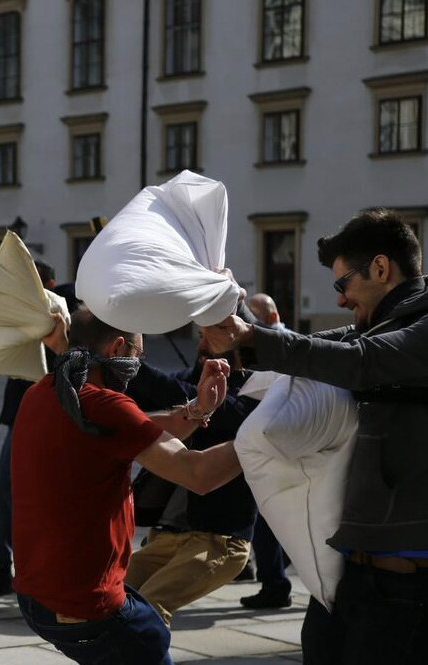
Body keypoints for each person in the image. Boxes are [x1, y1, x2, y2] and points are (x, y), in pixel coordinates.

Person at [202, 208, 428, 664]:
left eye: (343, 284)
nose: (342, 300)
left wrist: (251, 336)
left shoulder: (414, 329)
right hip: (357, 573)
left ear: (381, 268)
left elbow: (361, 361)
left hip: (408, 588)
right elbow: (321, 351)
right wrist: (233, 318)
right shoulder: (381, 325)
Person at [13, 310, 242, 664]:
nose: (137, 364)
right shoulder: (104, 405)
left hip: (36, 596)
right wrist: (266, 433)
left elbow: (138, 427)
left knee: (146, 632)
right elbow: (198, 475)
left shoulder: (44, 393)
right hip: (87, 603)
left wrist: (197, 410)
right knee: (150, 641)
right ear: (118, 348)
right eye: (138, 355)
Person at [123, 333, 260, 626]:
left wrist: (128, 356)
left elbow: (177, 392)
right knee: (116, 597)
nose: (201, 344)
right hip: (169, 535)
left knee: (148, 609)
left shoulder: (251, 397)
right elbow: (147, 393)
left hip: (219, 540)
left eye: (212, 336)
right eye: (199, 335)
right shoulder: (193, 377)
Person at [0, 259, 56, 601]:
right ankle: (3, 568)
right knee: (3, 487)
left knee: (30, 494)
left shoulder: (62, 312)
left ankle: (37, 570)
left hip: (50, 416)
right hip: (21, 412)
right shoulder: (19, 316)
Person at [237, 292, 293, 610]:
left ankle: (274, 582)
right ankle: (273, 574)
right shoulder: (282, 345)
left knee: (265, 521)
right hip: (278, 447)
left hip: (272, 448)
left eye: (254, 318)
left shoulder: (277, 349)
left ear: (270, 318)